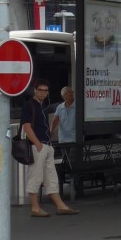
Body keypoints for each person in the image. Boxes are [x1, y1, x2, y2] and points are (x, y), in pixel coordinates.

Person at [21, 80, 79, 217]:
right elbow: (27, 127)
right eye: (40, 90)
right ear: (35, 90)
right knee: (36, 175)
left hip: (46, 145)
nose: (43, 93)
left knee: (51, 177)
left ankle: (60, 206)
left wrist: (47, 143)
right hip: (38, 146)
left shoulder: (43, 106)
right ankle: (35, 208)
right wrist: (38, 144)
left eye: (45, 91)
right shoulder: (29, 105)